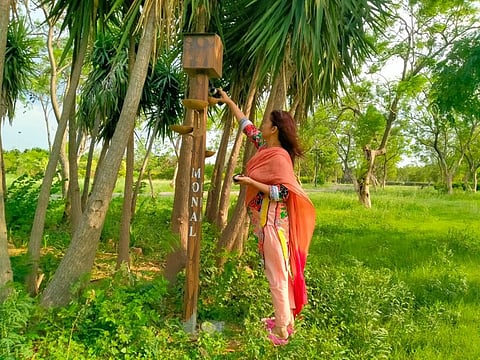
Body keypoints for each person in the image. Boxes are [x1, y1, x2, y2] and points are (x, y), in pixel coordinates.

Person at [214, 90, 316, 345]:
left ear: (275, 129)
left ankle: (282, 330)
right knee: (278, 272)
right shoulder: (266, 147)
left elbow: (282, 192)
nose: (262, 124)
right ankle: (285, 320)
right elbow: (246, 126)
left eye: (267, 122)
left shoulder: (280, 157)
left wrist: (250, 181)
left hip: (274, 225)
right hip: (266, 222)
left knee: (276, 275)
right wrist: (228, 102)